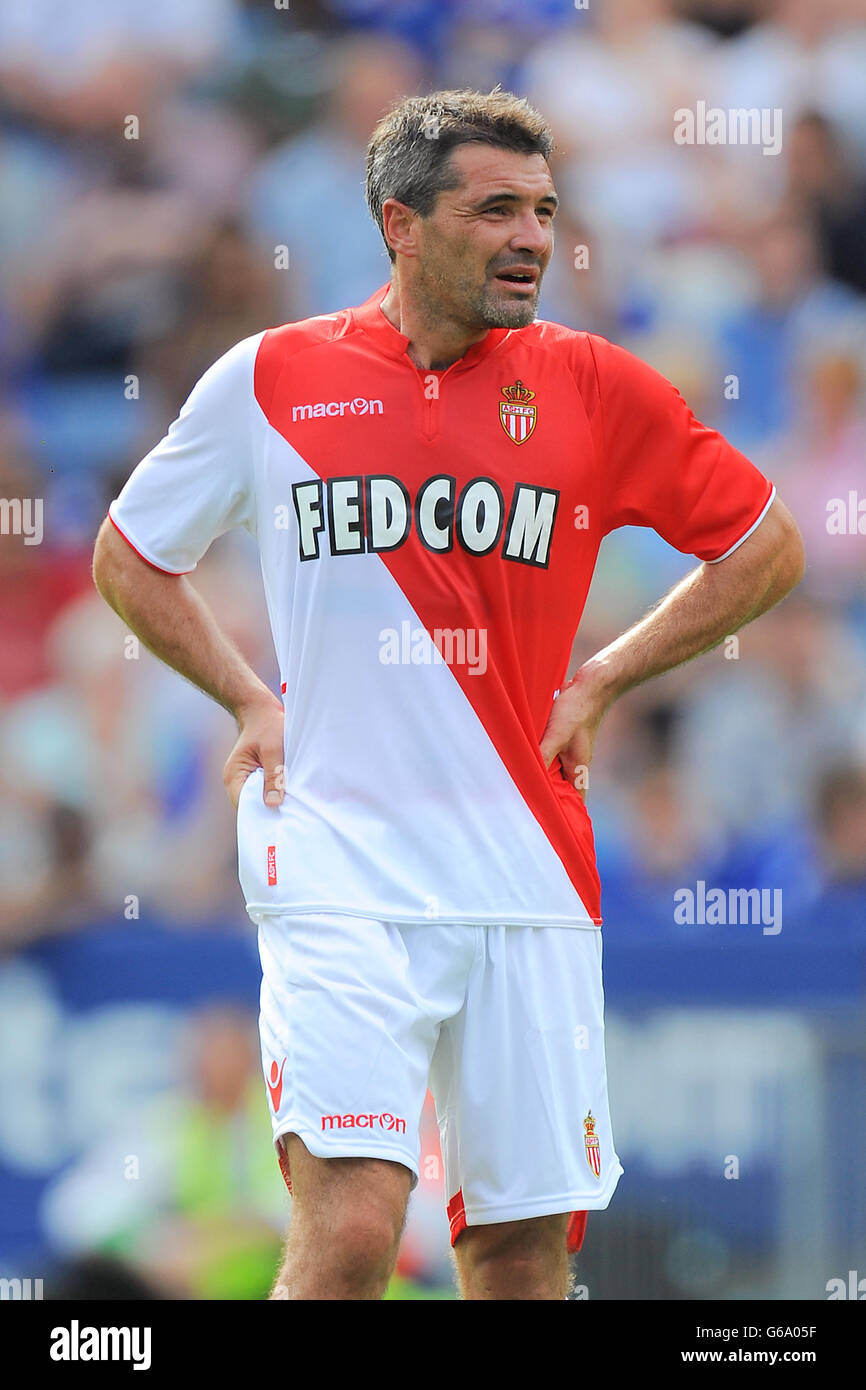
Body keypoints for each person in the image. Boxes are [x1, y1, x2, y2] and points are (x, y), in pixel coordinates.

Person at [92, 88, 805, 1300]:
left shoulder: (591, 384)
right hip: (336, 865)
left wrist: (605, 675)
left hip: (523, 872)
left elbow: (765, 543)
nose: (531, 236)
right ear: (399, 224)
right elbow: (127, 555)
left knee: (517, 1263)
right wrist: (242, 698)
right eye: (494, 209)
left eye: (542, 209)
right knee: (353, 1233)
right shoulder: (271, 378)